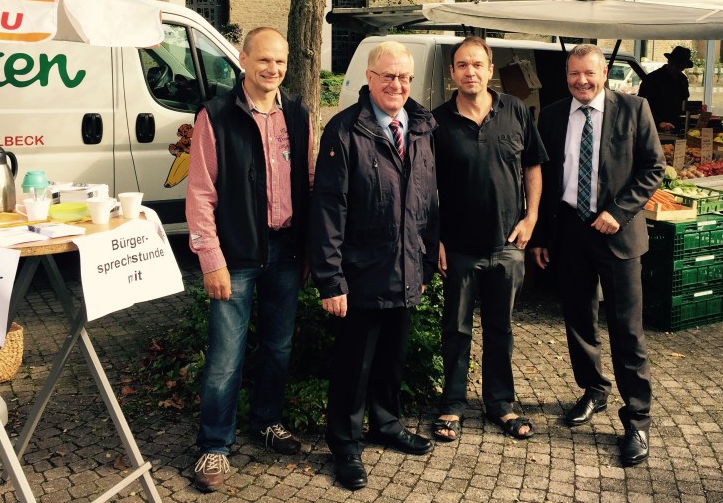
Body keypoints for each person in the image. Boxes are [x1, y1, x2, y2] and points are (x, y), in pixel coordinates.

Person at [185, 27, 312, 493]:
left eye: (279, 61)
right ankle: (214, 447)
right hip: (235, 256)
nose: (272, 69)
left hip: (285, 251)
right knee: (225, 357)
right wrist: (211, 258)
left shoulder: (297, 115)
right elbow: (199, 193)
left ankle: (266, 421)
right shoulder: (216, 115)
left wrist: (308, 249)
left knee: (278, 347)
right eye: (263, 60)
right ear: (243, 59)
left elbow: (309, 182)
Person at [311, 41, 440, 490]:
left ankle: (386, 423)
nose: (397, 85)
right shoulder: (345, 131)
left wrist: (425, 261)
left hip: (406, 267)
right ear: (369, 78)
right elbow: (329, 209)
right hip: (360, 272)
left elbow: (427, 200)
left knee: (392, 356)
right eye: (388, 76)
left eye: (404, 77)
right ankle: (345, 445)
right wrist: (331, 280)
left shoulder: (421, 127)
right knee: (354, 364)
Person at [530, 43, 665, 467]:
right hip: (569, 232)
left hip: (618, 234)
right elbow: (546, 179)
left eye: (589, 74)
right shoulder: (551, 115)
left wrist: (618, 212)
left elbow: (653, 169)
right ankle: (593, 389)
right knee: (578, 320)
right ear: (566, 75)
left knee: (627, 329)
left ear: (604, 72)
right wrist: (542, 237)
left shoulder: (634, 109)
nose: (581, 82)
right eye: (573, 75)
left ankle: (637, 420)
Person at [430, 37, 547, 443]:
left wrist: (531, 218)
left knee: (501, 329)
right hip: (460, 247)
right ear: (452, 73)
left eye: (477, 64)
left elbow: (533, 165)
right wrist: (437, 239)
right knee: (457, 330)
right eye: (462, 65)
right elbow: (427, 188)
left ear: (490, 67)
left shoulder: (515, 110)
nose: (470, 72)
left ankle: (501, 403)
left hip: (508, 246)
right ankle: (453, 404)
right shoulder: (437, 121)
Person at [638, 45, 693, 130]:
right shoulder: (652, 79)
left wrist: (694, 109)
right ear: (669, 61)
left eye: (682, 67)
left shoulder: (682, 79)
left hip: (676, 126)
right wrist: (659, 122)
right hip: (653, 127)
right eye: (677, 65)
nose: (679, 70)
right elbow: (642, 105)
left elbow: (684, 102)